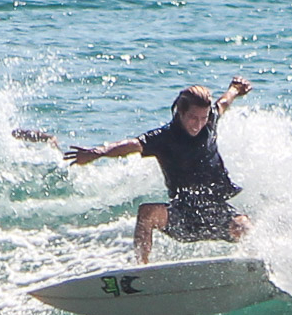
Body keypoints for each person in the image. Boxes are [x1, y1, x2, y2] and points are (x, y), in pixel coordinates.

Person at [65, 77, 253, 264]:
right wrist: (98, 152)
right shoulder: (164, 138)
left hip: (215, 211)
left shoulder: (210, 120)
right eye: (193, 118)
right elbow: (133, 144)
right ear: (181, 112)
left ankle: (254, 268)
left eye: (203, 118)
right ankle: (141, 269)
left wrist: (235, 88)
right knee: (147, 213)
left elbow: (223, 103)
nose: (198, 124)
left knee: (245, 227)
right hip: (182, 216)